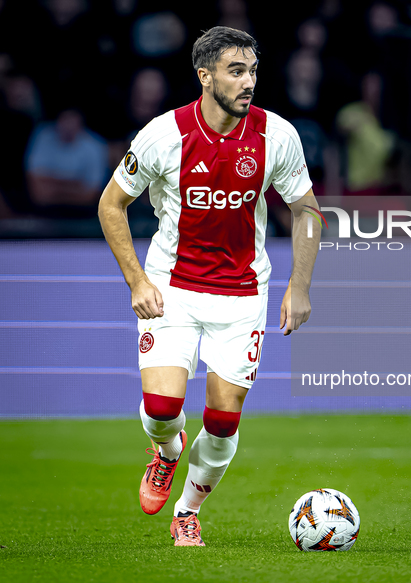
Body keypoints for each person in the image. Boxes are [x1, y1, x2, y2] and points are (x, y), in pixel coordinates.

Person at [98, 26, 320, 547]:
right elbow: (112, 204)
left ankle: (187, 512)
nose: (249, 83)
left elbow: (307, 210)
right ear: (206, 76)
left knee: (221, 421)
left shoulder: (277, 135)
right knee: (161, 412)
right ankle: (167, 454)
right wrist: (137, 280)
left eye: (253, 72)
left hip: (242, 295)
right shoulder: (164, 134)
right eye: (236, 71)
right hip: (172, 290)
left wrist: (300, 285)